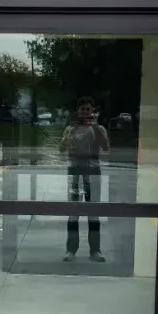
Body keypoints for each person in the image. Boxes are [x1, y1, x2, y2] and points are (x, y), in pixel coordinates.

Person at [59, 96, 110, 262]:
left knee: (93, 213)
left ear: (93, 111)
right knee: (73, 213)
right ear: (77, 111)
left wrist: (95, 127)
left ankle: (95, 251)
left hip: (93, 174)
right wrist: (68, 137)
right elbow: (61, 149)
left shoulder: (99, 128)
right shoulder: (70, 129)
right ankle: (71, 250)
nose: (85, 112)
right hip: (75, 173)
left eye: (88, 109)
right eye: (82, 109)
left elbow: (106, 147)